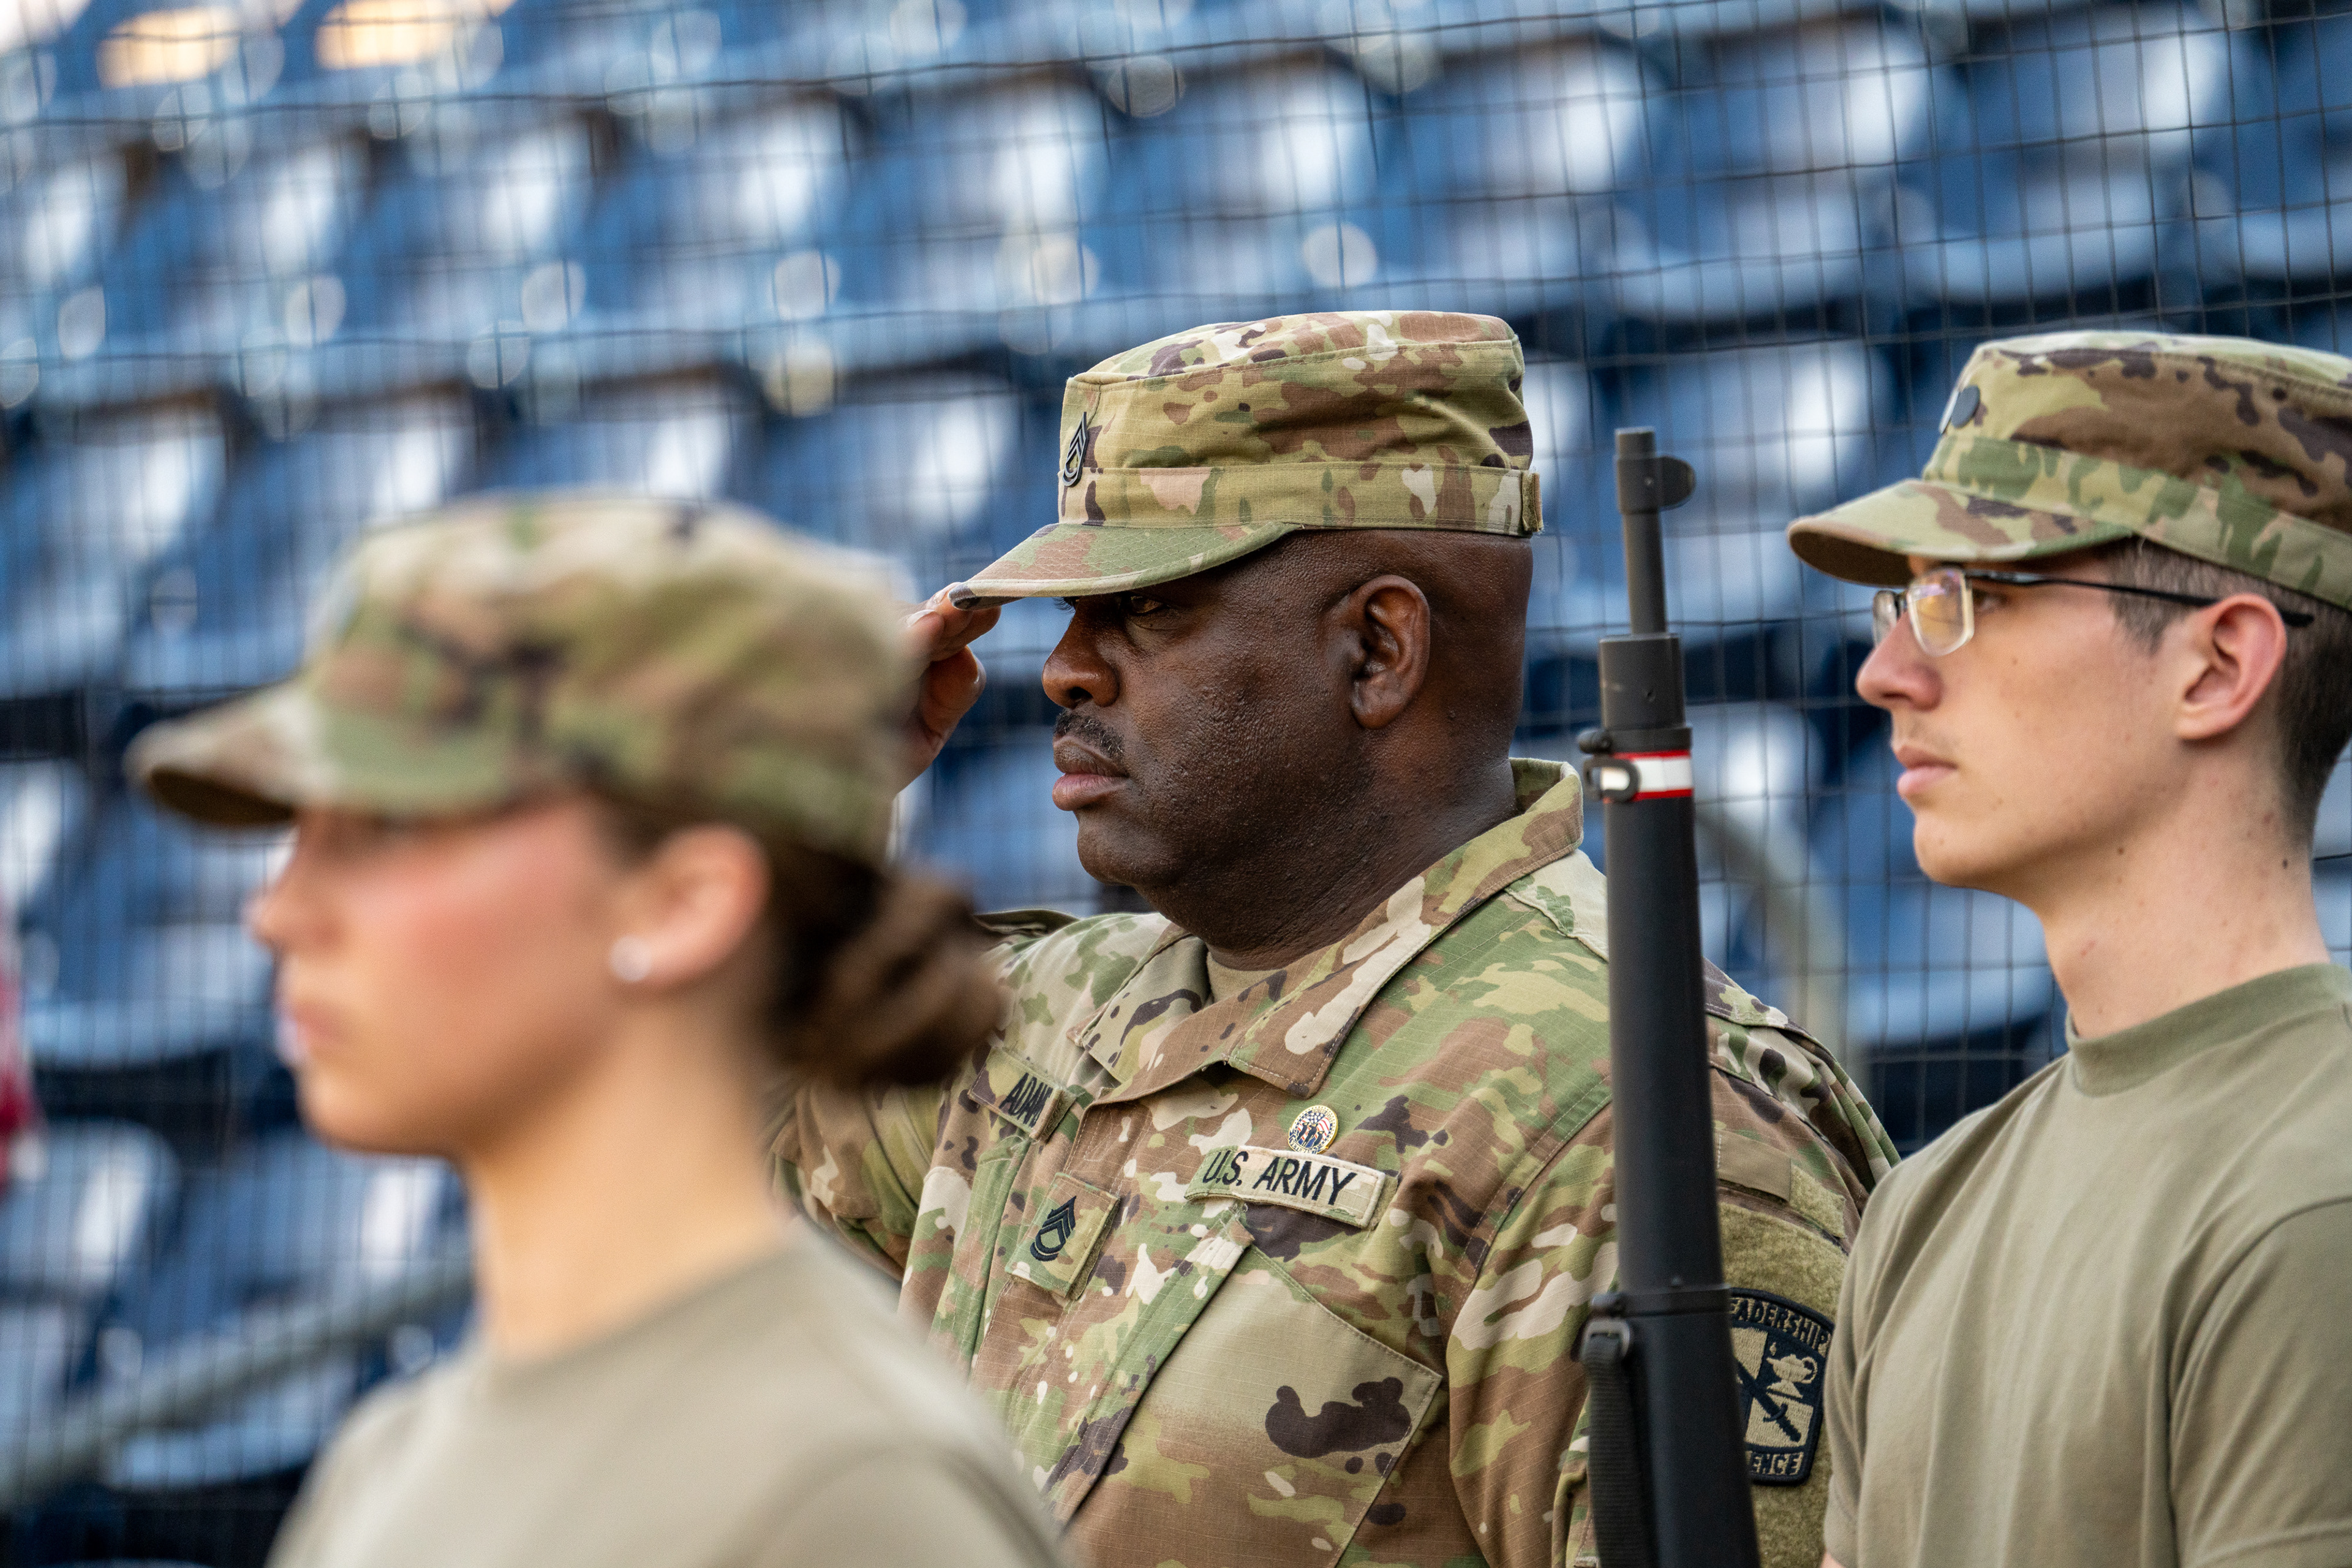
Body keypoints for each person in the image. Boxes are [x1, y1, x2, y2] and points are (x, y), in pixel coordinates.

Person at [775, 309, 1896, 1568]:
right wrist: (804, 808)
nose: (1066, 668)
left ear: (1377, 649)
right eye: (1075, 612)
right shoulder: (1053, 1015)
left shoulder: (1642, 1118)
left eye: (1145, 608)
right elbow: (702, 1140)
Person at [125, 493, 1072, 1568]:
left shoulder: (848, 1491)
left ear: (679, 903)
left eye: (387, 826)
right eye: (299, 831)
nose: (277, 910)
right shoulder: (390, 1453)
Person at [1784, 330, 2352, 1568]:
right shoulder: (1921, 1213)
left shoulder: (2320, 1200)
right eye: (1904, 602)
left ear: (2218, 665)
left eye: (1973, 599)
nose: (1886, 672)